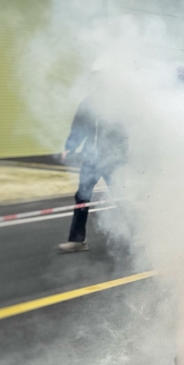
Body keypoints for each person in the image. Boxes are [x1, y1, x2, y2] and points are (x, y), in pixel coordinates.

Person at [57, 72, 128, 253]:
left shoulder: (117, 104)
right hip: (91, 159)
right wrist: (69, 147)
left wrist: (122, 156)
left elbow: (125, 133)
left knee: (120, 196)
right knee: (82, 196)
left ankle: (138, 237)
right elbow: (78, 128)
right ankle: (77, 240)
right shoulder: (87, 104)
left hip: (112, 159)